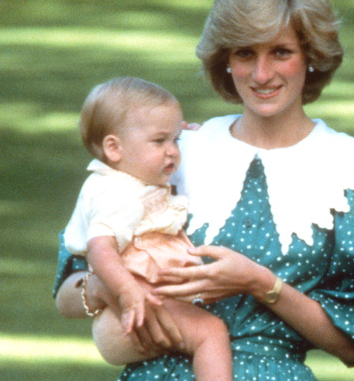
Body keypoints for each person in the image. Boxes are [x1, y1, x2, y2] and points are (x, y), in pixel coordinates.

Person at [53, 0, 354, 380]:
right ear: (224, 59)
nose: (261, 74)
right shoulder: (172, 152)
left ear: (311, 55)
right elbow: (65, 295)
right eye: (245, 53)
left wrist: (261, 284)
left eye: (281, 51)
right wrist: (114, 288)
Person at [62, 77, 232, 380]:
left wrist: (186, 139)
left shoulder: (130, 181)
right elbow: (100, 249)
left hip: (139, 308)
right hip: (134, 310)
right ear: (114, 148)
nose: (172, 151)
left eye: (175, 140)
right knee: (211, 332)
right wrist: (128, 293)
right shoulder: (115, 194)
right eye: (160, 141)